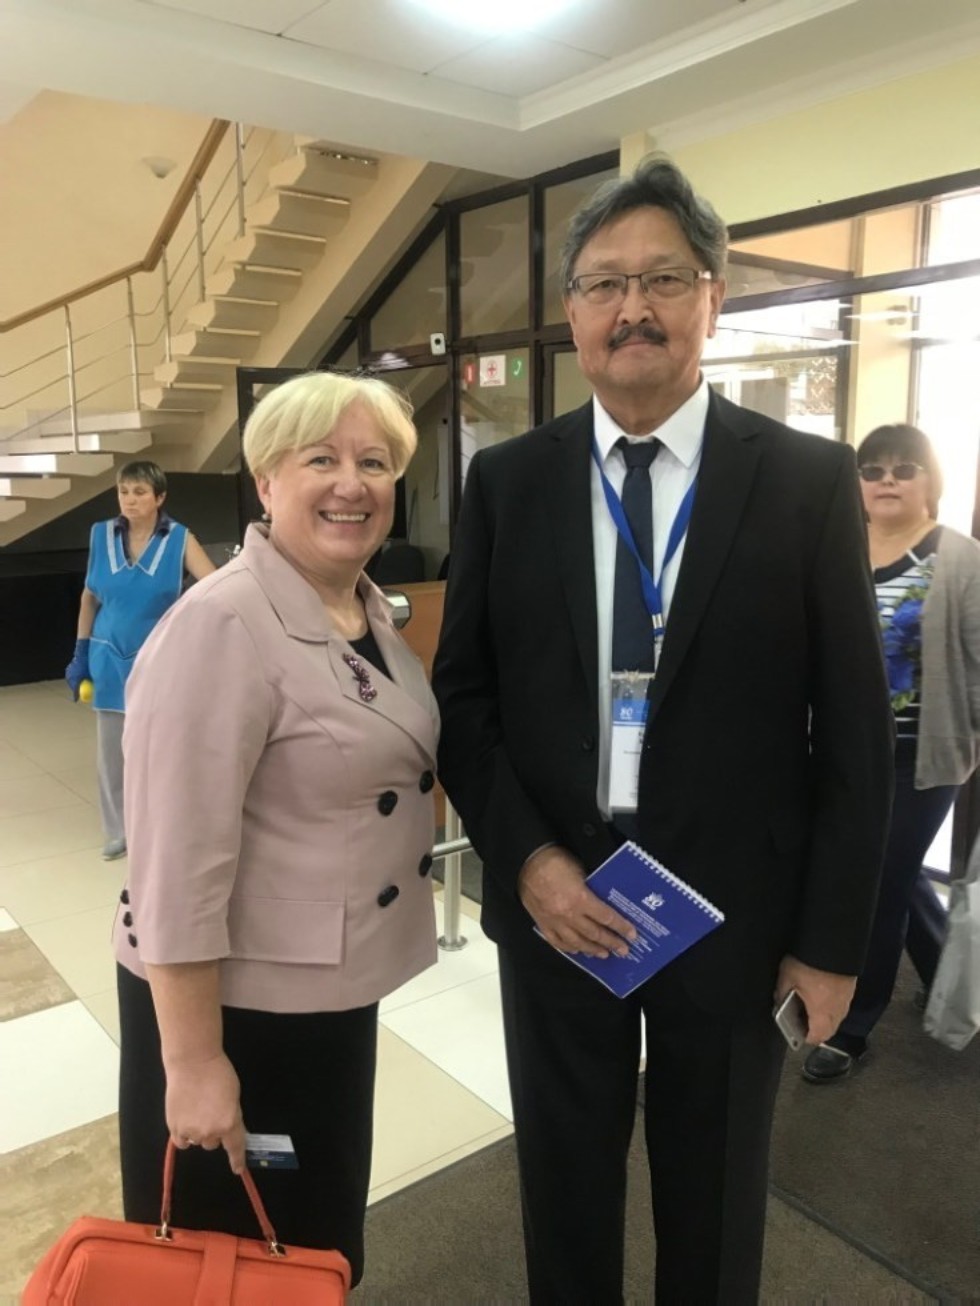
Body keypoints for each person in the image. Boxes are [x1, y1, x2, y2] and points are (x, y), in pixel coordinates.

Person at [432, 155, 895, 1304]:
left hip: (734, 920)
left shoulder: (803, 481)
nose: (630, 307)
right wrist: (527, 862)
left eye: (662, 279)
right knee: (562, 1189)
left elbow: (851, 733)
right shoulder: (507, 482)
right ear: (571, 314)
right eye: (603, 283)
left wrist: (830, 943)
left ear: (711, 299)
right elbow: (464, 701)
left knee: (716, 1200)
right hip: (560, 911)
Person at [113, 373, 440, 1286]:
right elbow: (173, 868)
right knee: (233, 1268)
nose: (352, 484)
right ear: (265, 482)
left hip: (326, 991)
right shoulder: (221, 623)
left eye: (374, 462)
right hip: (237, 1012)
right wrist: (193, 1062)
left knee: (311, 1249)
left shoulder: (360, 607)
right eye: (321, 460)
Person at [803, 424, 980, 1083]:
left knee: (877, 882)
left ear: (930, 481)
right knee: (897, 876)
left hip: (920, 761)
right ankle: (942, 973)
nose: (886, 480)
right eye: (872, 469)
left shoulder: (959, 559)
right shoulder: (836, 549)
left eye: (904, 469)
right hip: (840, 755)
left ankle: (853, 1026)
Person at [64, 460, 215, 860]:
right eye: (124, 492)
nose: (130, 500)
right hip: (108, 657)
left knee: (163, 750)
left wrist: (188, 626)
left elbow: (216, 590)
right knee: (112, 755)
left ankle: (164, 826)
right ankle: (119, 831)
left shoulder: (180, 539)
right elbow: (89, 597)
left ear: (159, 497)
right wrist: (80, 652)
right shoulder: (101, 536)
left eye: (140, 492)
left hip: (160, 660)